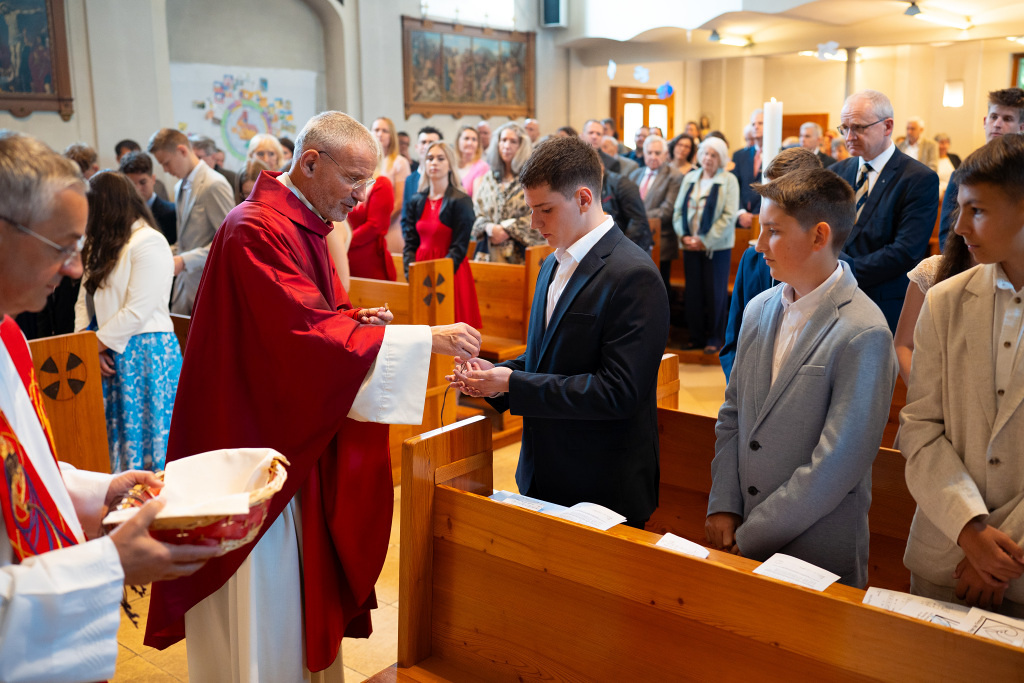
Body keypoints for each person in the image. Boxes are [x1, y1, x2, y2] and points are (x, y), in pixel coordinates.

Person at [144, 111, 482, 680]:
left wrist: (352, 319)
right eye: (352, 179)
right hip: (255, 447)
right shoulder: (256, 228)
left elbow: (310, 319)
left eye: (367, 181)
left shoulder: (302, 224)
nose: (360, 195)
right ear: (309, 163)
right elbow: (300, 339)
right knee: (266, 611)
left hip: (284, 433)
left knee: (294, 600)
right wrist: (425, 338)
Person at [0, 130, 217, 682]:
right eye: (61, 245)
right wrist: (107, 564)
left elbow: (23, 470)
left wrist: (101, 490)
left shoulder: (9, 338)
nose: (75, 267)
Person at [450, 135, 670, 528]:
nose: (534, 224)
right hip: (543, 470)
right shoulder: (552, 262)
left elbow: (618, 392)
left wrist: (514, 383)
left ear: (584, 199)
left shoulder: (633, 275)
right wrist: (496, 377)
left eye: (545, 210)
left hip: (601, 483)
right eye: (531, 210)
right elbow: (547, 357)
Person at [707, 167, 896, 589]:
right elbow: (733, 415)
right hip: (740, 527)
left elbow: (836, 462)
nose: (758, 245)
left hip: (815, 550)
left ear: (819, 236)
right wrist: (724, 503)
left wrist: (753, 534)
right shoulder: (758, 308)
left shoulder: (863, 331)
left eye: (773, 232)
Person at [900, 133, 1024, 615]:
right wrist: (970, 532)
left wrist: (1000, 557)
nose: (958, 225)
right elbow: (920, 427)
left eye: (978, 210)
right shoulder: (945, 300)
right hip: (944, 558)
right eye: (958, 208)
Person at [73, 171, 181, 473]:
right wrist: (85, 342)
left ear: (108, 206)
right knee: (114, 440)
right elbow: (84, 299)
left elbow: (138, 309)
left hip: (145, 352)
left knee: (150, 444)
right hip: (106, 347)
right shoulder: (102, 243)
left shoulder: (149, 241)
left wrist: (94, 345)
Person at [829, 90, 939, 332]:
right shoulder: (835, 173)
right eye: (844, 128)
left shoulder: (918, 178)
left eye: (858, 128)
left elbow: (906, 251)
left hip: (881, 302)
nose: (849, 137)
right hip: (831, 299)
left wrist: (843, 274)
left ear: (887, 126)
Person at [719, 147, 823, 380]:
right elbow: (734, 338)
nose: (769, 201)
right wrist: (737, 386)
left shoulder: (831, 266)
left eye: (778, 193)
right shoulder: (752, 259)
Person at [148, 128, 235, 315]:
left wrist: (185, 260)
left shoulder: (214, 184)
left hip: (209, 288)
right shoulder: (179, 186)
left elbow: (230, 243)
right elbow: (184, 240)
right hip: (183, 288)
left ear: (182, 150)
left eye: (166, 163)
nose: (165, 170)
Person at [402, 141, 481, 327]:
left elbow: (460, 246)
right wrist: (410, 271)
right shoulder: (416, 200)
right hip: (421, 267)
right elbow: (410, 242)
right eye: (430, 158)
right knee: (422, 327)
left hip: (450, 269)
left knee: (452, 327)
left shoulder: (461, 201)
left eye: (440, 158)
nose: (434, 163)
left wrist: (442, 273)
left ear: (450, 165)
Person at [673, 136, 738, 354]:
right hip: (690, 245)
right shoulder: (691, 177)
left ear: (721, 158)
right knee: (693, 293)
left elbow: (728, 216)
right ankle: (696, 336)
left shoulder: (729, 180)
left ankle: (715, 338)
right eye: (705, 154)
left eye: (713, 155)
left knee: (715, 293)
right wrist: (684, 236)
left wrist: (704, 240)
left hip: (716, 248)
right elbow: (678, 210)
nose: (708, 158)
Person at [938, 88, 1024, 250]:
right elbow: (947, 235)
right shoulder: (962, 173)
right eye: (994, 117)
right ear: (985, 121)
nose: (997, 124)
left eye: (1007, 119)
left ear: (1021, 127)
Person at [893, 226, 973, 386]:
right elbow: (904, 346)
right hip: (933, 390)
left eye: (978, 213)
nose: (960, 226)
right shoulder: (933, 271)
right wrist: (925, 393)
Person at [471, 122, 542, 264]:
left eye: (513, 141)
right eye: (503, 140)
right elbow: (477, 212)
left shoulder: (532, 179)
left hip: (521, 255)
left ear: (521, 146)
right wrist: (489, 228)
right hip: (488, 253)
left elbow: (540, 214)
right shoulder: (489, 177)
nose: (507, 146)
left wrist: (507, 229)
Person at [630, 134, 682, 290]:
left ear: (665, 155)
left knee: (658, 287)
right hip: (635, 240)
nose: (653, 156)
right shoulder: (635, 174)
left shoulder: (674, 176)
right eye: (649, 152)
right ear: (644, 154)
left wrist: (637, 218)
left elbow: (667, 210)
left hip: (661, 240)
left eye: (657, 153)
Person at [347, 160, 397, 281]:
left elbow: (375, 226)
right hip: (345, 258)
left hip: (368, 262)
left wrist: (344, 241)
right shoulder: (346, 182)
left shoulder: (382, 183)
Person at [119, 150, 177, 244]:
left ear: (153, 179)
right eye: (131, 185)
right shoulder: (121, 214)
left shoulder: (172, 212)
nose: (137, 189)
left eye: (142, 182)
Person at [371, 117, 412, 246]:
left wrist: (380, 225)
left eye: (385, 131)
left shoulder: (400, 162)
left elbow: (400, 202)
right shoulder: (368, 161)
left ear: (392, 136)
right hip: (369, 226)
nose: (380, 134)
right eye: (376, 130)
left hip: (390, 226)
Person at [400, 126, 443, 220]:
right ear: (416, 147)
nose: (426, 146)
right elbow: (406, 215)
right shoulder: (410, 180)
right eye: (423, 142)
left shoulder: (445, 178)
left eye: (431, 143)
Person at [731, 109, 763, 231]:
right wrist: (741, 212)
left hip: (764, 218)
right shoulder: (739, 155)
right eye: (753, 124)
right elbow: (734, 186)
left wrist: (757, 215)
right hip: (740, 220)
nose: (756, 127)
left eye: (760, 123)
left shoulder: (779, 154)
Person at [455, 124, 490, 197]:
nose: (470, 143)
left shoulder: (482, 167)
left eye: (474, 139)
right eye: (466, 138)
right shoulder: (452, 165)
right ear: (458, 141)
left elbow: (476, 199)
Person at [934, 133, 961, 201]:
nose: (944, 146)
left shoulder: (955, 157)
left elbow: (961, 173)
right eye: (941, 143)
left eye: (947, 143)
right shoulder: (932, 160)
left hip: (954, 189)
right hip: (938, 191)